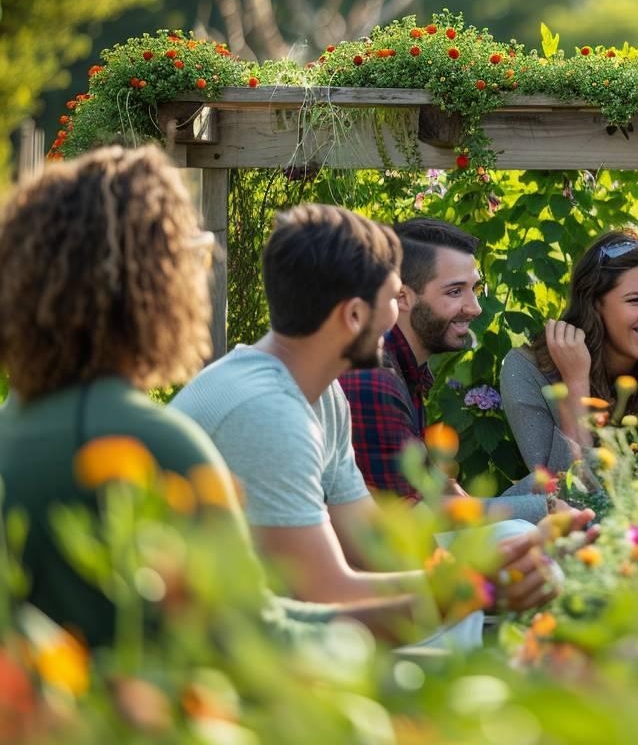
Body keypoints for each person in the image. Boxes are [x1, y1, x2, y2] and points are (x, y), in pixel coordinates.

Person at [0, 146, 405, 647]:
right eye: (189, 253)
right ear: (158, 285)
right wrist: (470, 591)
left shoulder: (17, 419)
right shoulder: (151, 442)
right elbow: (260, 635)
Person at [172, 204, 585, 621]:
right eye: (392, 298)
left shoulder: (324, 397)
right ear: (354, 315)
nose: (396, 317)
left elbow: (375, 549)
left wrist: (482, 573)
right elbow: (327, 593)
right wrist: (480, 586)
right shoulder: (270, 412)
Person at [339, 217, 551, 521]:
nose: (475, 307)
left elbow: (418, 484)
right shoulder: (374, 378)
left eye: (474, 289)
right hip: (384, 556)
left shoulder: (403, 368)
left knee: (551, 487)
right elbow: (411, 516)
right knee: (550, 508)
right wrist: (549, 511)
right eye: (455, 292)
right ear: (403, 297)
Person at [500, 229, 638, 486]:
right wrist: (575, 385)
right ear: (594, 304)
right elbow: (562, 492)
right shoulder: (528, 370)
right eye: (636, 300)